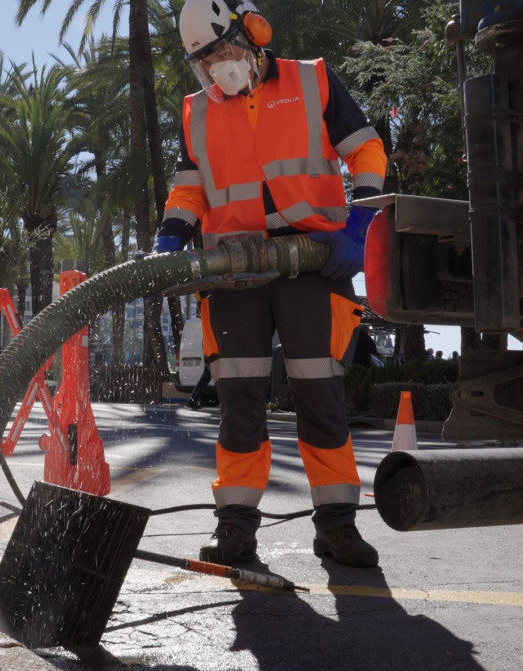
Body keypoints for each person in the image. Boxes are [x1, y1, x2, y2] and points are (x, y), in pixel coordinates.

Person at [153, 0, 387, 567]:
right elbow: (189, 189)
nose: (219, 68)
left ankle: (335, 525)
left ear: (252, 34)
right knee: (239, 401)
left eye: (224, 51)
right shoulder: (197, 111)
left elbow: (367, 148)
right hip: (233, 272)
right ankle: (235, 528)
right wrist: (168, 239)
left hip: (313, 263)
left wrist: (360, 219)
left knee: (319, 393)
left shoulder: (312, 81)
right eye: (206, 62)